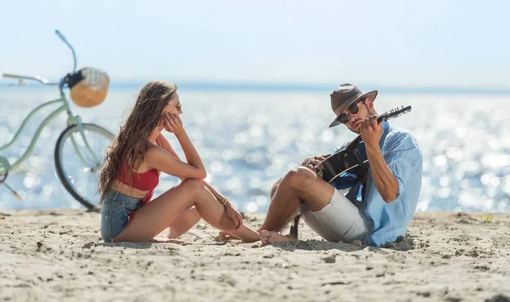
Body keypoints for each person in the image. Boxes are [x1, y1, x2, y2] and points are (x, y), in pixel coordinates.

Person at [257, 83, 423, 247]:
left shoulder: (401, 141)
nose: (351, 118)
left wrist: (372, 146)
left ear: (369, 103)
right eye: (344, 118)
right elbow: (323, 183)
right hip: (348, 220)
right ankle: (289, 235)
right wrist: (312, 168)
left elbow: (390, 194)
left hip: (375, 232)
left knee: (296, 176)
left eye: (353, 109)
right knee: (282, 184)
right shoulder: (351, 147)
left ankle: (258, 235)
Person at [97, 80, 260, 243]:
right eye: (177, 106)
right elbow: (199, 172)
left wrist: (225, 202)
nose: (180, 112)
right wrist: (180, 133)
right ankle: (248, 235)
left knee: (200, 207)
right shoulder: (148, 151)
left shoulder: (155, 139)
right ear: (160, 106)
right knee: (195, 189)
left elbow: (188, 176)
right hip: (119, 228)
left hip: (135, 215)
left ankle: (237, 232)